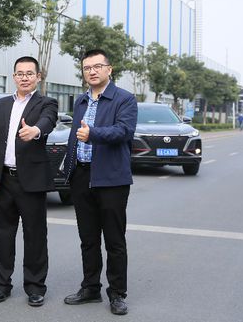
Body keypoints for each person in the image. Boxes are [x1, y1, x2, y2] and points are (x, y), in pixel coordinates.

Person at [62, 48, 137, 316]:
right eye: (87, 68)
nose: (92, 71)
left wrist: (92, 134)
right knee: (88, 238)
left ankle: (117, 293)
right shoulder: (81, 101)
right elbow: (75, 136)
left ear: (109, 69)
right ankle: (90, 287)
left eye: (97, 66)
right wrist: (69, 167)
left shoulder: (124, 99)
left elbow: (123, 131)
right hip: (82, 176)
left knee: (114, 240)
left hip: (111, 178)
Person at [0, 56, 58, 307]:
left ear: (38, 77)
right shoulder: (1, 105)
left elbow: (48, 121)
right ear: (14, 77)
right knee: (3, 235)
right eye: (20, 73)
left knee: (35, 235)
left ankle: (35, 287)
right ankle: (1, 285)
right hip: (4, 179)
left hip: (32, 181)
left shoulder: (47, 103)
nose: (24, 77)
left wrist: (35, 131)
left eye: (29, 73)